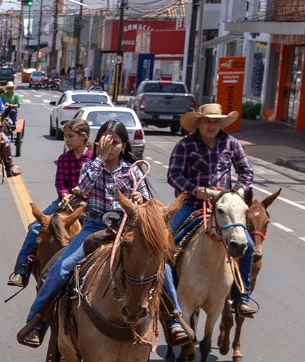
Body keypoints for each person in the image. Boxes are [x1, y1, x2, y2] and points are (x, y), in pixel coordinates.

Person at [14, 120, 192, 348]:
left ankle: (174, 320)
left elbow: (147, 202)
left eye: (115, 142)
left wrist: (141, 201)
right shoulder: (90, 166)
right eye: (105, 142)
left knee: (161, 266)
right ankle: (37, 322)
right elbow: (84, 187)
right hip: (94, 226)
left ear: (124, 146)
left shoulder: (133, 170)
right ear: (97, 144)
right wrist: (100, 158)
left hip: (127, 229)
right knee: (61, 268)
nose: (110, 147)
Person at [166, 103, 258, 314]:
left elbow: (246, 171)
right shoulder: (185, 145)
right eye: (208, 121)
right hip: (192, 204)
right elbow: (174, 175)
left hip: (224, 207)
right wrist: (195, 189)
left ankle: (240, 297)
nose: (212, 125)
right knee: (166, 242)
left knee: (249, 245)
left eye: (216, 122)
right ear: (198, 123)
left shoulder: (231, 143)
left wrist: (240, 192)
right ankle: (164, 293)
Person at [9, 116, 91, 288]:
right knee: (34, 228)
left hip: (89, 204)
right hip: (65, 202)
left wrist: (83, 199)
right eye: (66, 136)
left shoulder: (93, 160)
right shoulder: (64, 159)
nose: (67, 140)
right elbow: (60, 182)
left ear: (83, 136)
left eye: (70, 136)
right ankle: (21, 270)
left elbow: (96, 185)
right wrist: (64, 195)